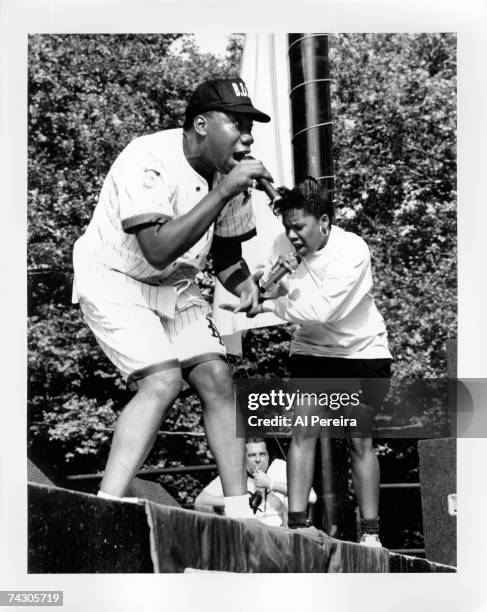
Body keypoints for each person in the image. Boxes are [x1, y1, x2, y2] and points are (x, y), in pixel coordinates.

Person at [72, 77, 274, 519]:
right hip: (115, 276)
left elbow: (226, 257)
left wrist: (247, 287)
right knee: (162, 381)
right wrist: (223, 191)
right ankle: (104, 511)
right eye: (237, 122)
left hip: (174, 284)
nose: (248, 135)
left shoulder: (231, 176)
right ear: (201, 124)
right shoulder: (148, 157)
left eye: (251, 125)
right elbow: (158, 249)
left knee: (218, 378)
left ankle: (240, 514)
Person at [240, 178, 392, 545]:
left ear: (324, 223)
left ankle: (371, 535)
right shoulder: (282, 245)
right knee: (303, 429)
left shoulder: (352, 250)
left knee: (359, 439)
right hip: (311, 351)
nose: (291, 235)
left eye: (299, 227)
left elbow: (324, 310)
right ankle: (297, 526)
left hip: (361, 352)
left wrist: (271, 305)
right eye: (287, 226)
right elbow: (265, 286)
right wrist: (270, 278)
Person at [194, 438, 317, 526]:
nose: (258, 460)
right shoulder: (236, 473)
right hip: (248, 530)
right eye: (252, 455)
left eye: (262, 454)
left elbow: (311, 497)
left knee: (288, 502)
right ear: (243, 457)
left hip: (279, 531)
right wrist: (236, 502)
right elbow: (200, 501)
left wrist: (271, 484)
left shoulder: (278, 467)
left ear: (269, 456)